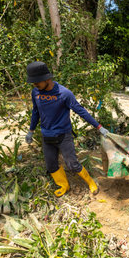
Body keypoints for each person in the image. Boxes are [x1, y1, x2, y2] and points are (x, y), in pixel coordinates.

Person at [25, 61, 109, 197]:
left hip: (63, 135)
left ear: (47, 79)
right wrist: (31, 131)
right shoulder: (36, 92)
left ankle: (91, 182)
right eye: (34, 83)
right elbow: (36, 112)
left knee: (72, 164)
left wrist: (99, 127)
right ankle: (64, 185)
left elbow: (81, 111)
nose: (35, 85)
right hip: (47, 136)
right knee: (51, 165)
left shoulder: (64, 94)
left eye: (37, 82)